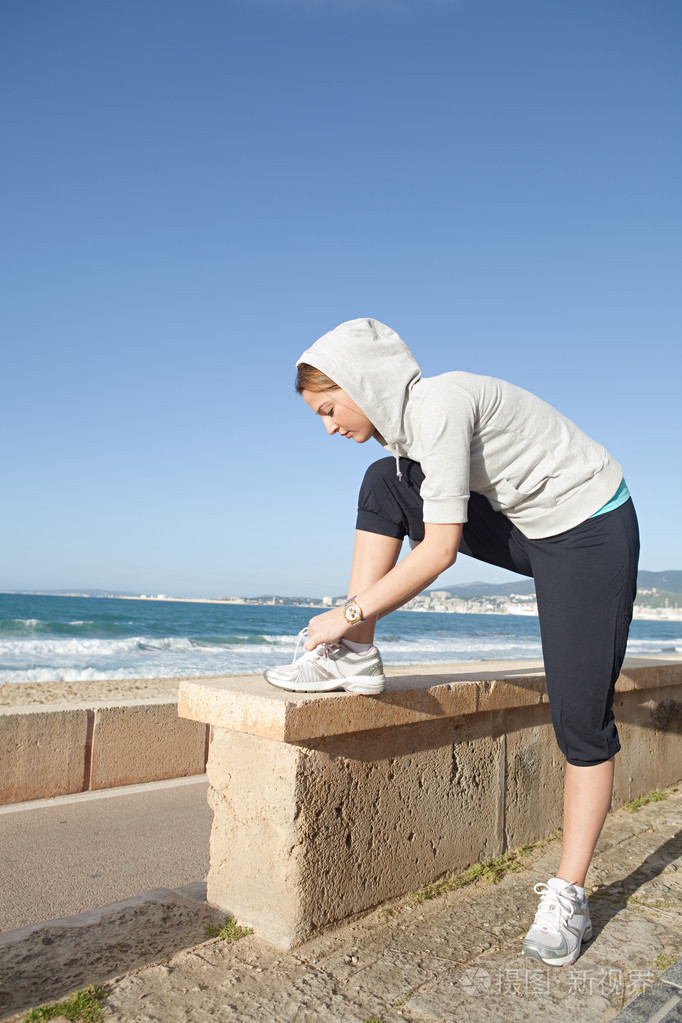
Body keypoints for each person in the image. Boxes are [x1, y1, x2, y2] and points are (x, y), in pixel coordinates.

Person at [264, 317, 639, 967]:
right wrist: (356, 624)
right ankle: (357, 655)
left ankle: (570, 894)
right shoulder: (408, 439)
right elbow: (436, 528)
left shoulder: (438, 407)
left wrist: (344, 612)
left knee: (580, 719)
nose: (328, 428)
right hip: (528, 526)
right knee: (384, 481)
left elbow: (439, 552)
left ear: (362, 384)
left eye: (329, 409)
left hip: (590, 532)